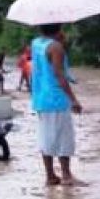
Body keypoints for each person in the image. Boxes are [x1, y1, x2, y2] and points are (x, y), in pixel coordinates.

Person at [31, 24, 84, 186]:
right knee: (64, 137)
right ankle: (67, 175)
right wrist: (73, 99)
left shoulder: (36, 43)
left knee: (46, 136)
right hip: (56, 98)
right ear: (59, 27)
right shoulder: (56, 48)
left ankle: (50, 175)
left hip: (41, 98)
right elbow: (59, 75)